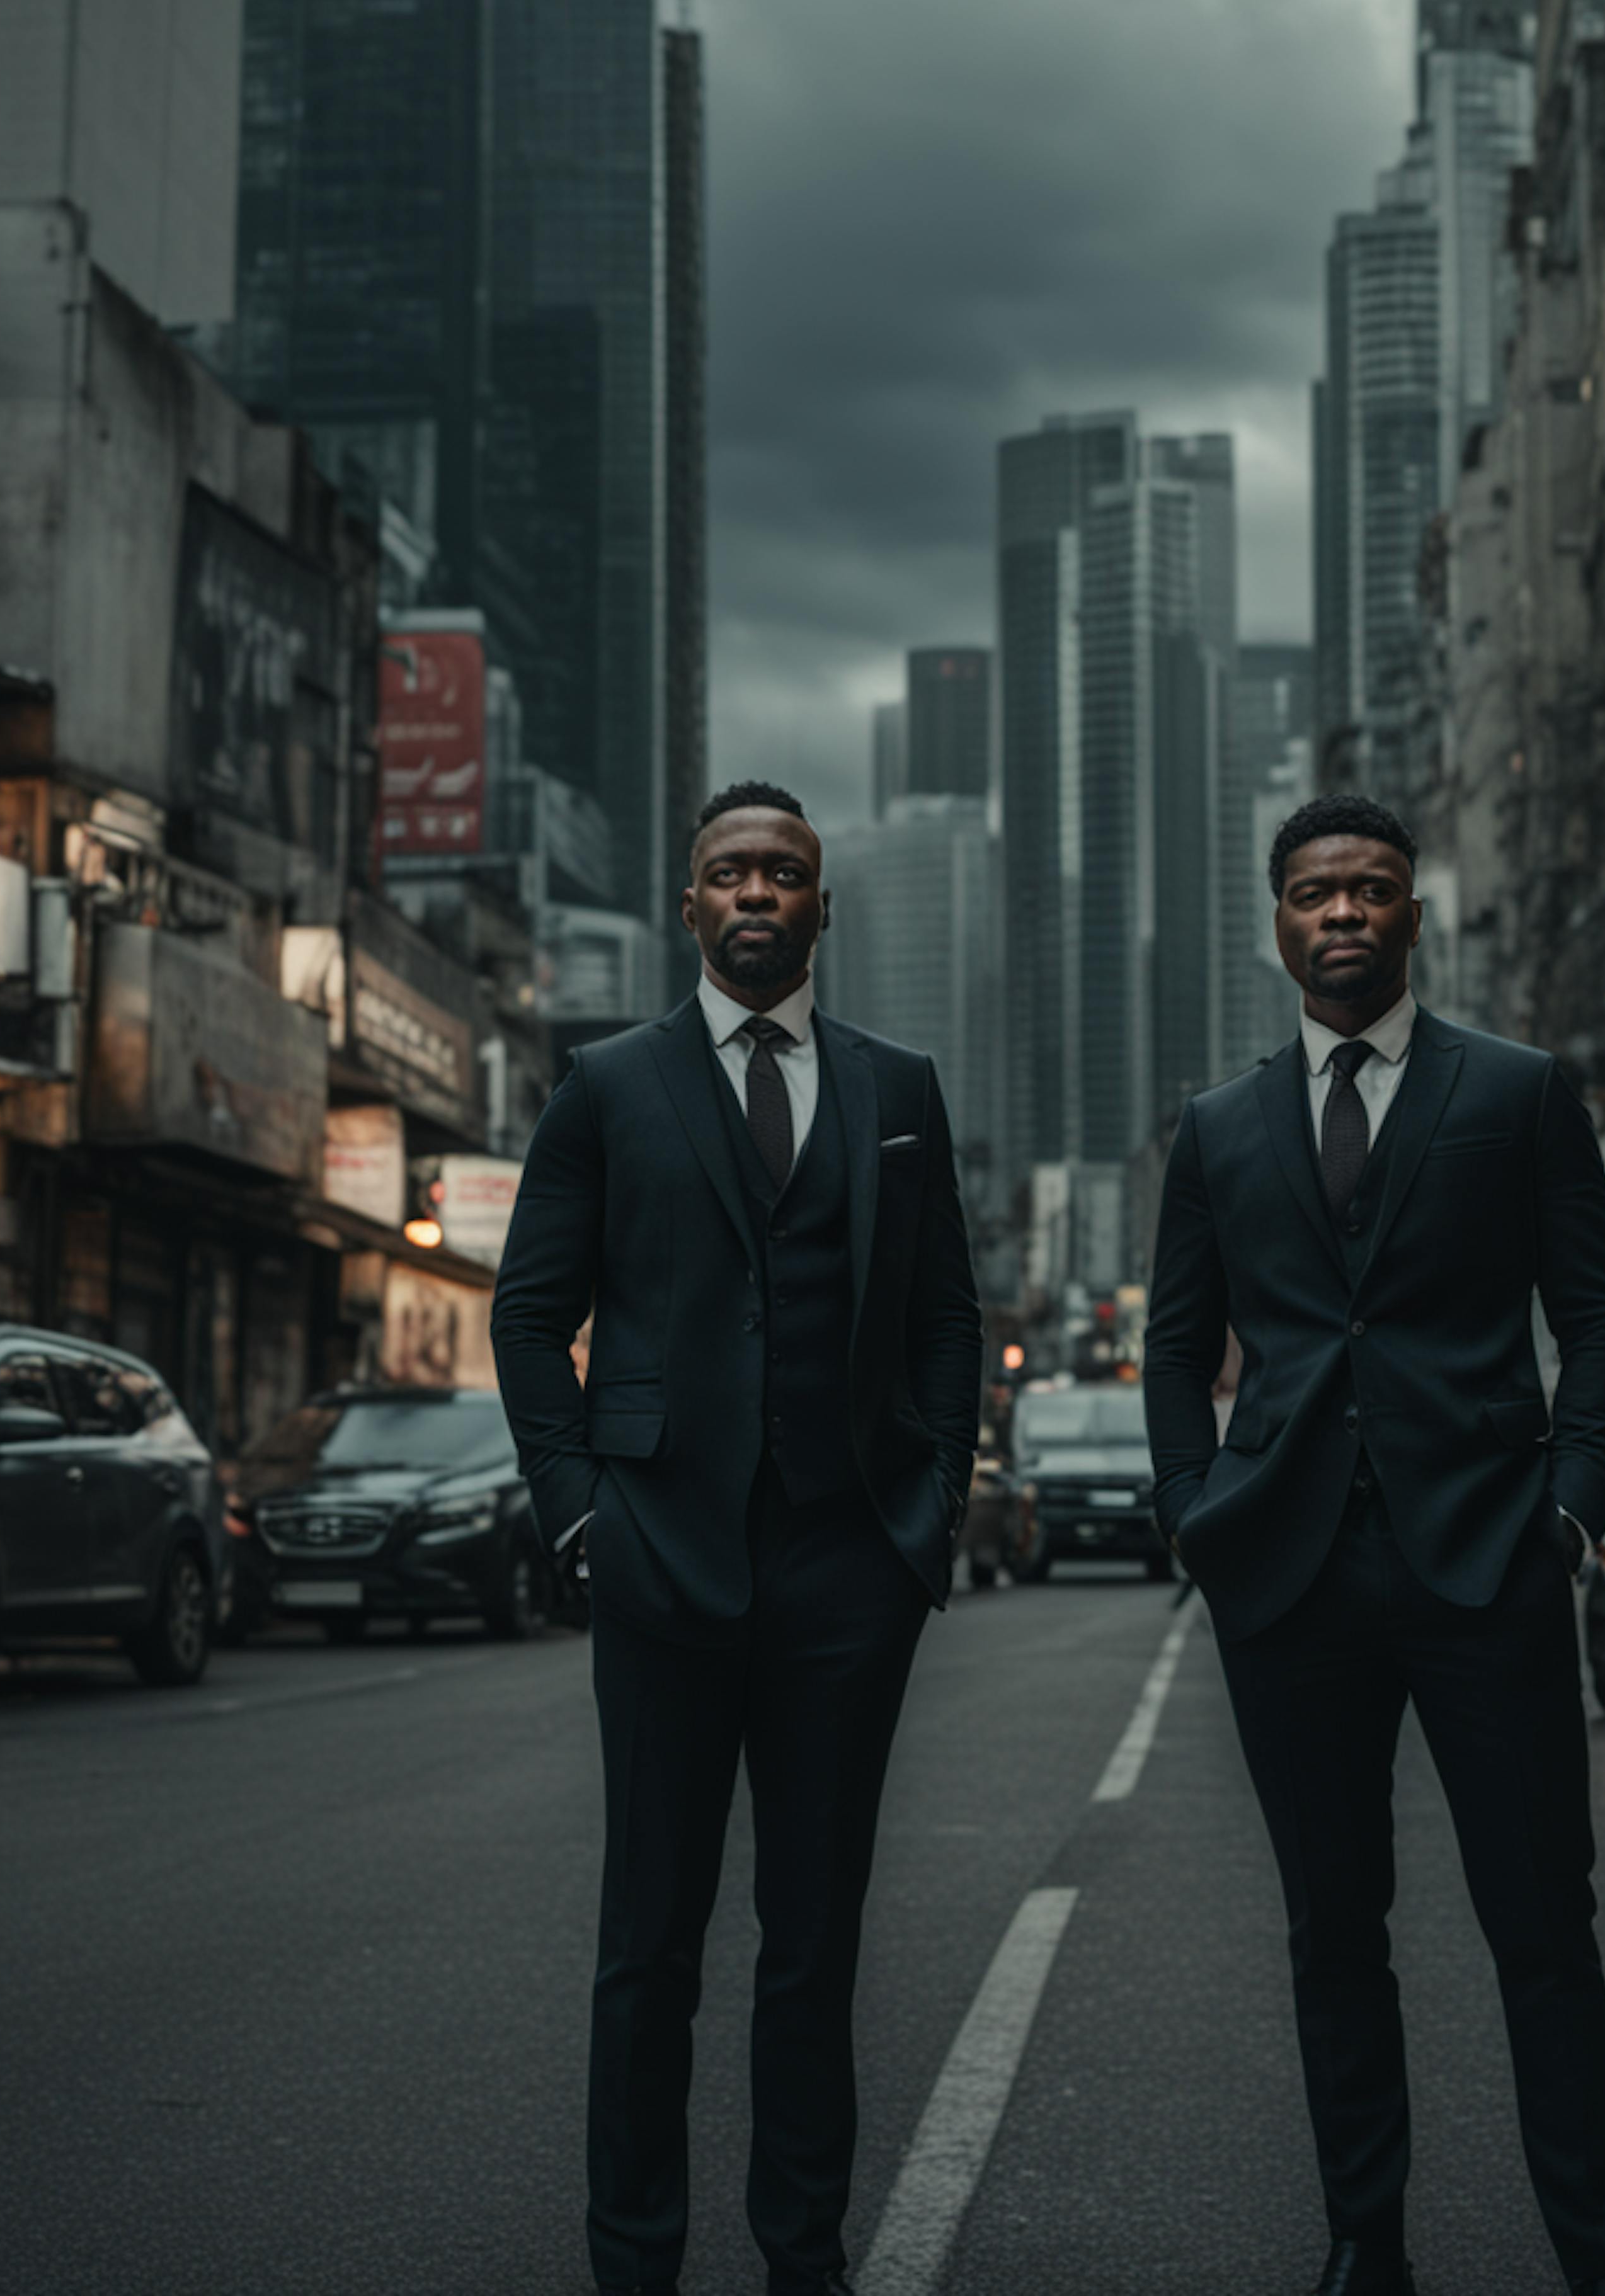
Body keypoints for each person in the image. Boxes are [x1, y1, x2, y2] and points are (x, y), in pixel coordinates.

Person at [1141, 793, 1605, 2296]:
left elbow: (1602, 1312)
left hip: (1490, 1558)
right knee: (1332, 1928)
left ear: (1416, 914)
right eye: (1314, 894)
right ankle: (1367, 2242)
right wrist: (1191, 1507)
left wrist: (1571, 1506)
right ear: (1277, 922)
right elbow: (1177, 1349)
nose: (1343, 914)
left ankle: (1599, 2257)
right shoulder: (1220, 1128)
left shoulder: (1519, 1091)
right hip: (1289, 1578)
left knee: (1543, 1926)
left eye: (1370, 891)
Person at [491, 780, 982, 2296]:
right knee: (648, 1945)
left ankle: (802, 2256)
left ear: (823, 907)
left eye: (786, 871)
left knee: (813, 1943)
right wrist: (580, 1515)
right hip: (660, 1558)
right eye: (730, 872)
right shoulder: (606, 1085)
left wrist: (928, 1518)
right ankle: (634, 2257)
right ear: (691, 906)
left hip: (849, 1569)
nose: (759, 892)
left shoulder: (899, 1088)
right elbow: (528, 1316)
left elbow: (948, 1321)